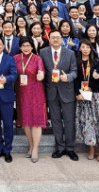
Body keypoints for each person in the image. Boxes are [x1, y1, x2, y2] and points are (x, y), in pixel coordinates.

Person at [40, 31, 78, 161]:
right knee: (55, 120)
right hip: (51, 91)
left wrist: (67, 77)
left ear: (62, 39)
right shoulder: (43, 52)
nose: (55, 40)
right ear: (49, 39)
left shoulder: (70, 53)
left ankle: (70, 148)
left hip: (67, 90)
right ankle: (60, 147)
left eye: (58, 37)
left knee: (69, 120)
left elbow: (74, 71)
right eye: (53, 38)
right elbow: (41, 70)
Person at [14, 37, 47, 163]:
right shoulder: (16, 58)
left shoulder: (37, 59)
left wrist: (41, 75)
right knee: (26, 121)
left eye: (28, 46)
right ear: (20, 47)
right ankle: (31, 145)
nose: (26, 48)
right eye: (24, 46)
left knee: (37, 121)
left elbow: (41, 71)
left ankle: (35, 149)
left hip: (36, 92)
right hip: (22, 92)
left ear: (32, 47)